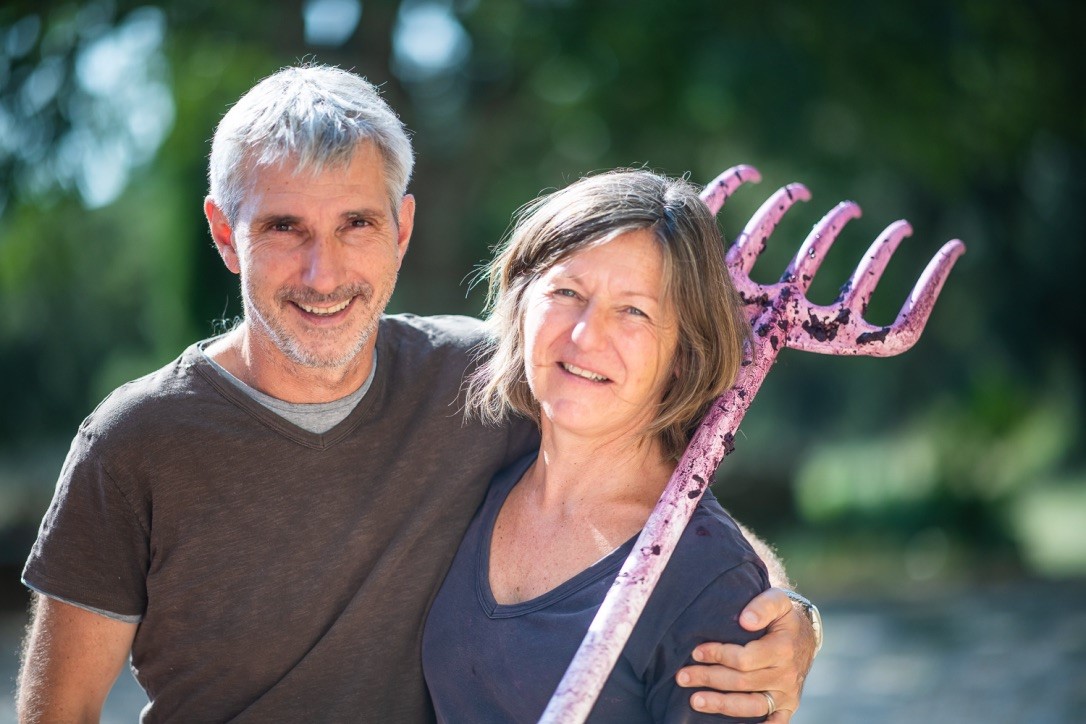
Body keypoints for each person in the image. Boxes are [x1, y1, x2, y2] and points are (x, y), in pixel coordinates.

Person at [16, 65, 817, 723]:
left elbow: (648, 495)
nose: (322, 275)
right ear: (226, 235)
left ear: (401, 229)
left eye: (356, 225)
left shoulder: (479, 379)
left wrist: (781, 610)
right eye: (283, 228)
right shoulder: (135, 442)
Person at [424, 169, 784, 722]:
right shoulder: (475, 477)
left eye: (634, 311)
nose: (586, 335)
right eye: (567, 292)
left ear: (684, 353)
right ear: (520, 306)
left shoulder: (704, 575)